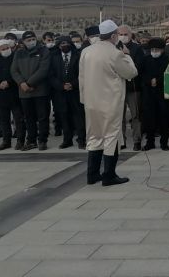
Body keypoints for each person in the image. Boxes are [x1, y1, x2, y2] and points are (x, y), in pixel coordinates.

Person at [79, 20, 138, 186]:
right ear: (113, 36)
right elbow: (131, 73)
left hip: (91, 103)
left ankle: (92, 174)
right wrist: (127, 55)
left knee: (94, 136)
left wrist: (84, 99)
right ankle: (109, 175)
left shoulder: (86, 51)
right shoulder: (115, 53)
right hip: (110, 102)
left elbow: (81, 78)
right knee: (112, 137)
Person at [11, 31, 51, 151]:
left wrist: (29, 83)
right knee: (29, 118)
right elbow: (14, 70)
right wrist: (22, 83)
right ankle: (31, 140)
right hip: (24, 92)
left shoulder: (43, 51)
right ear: (23, 42)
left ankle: (42, 140)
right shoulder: (19, 53)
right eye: (28, 40)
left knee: (43, 116)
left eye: (33, 39)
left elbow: (44, 69)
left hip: (40, 90)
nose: (31, 42)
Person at [0, 39, 26, 150]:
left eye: (7, 48)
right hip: (0, 93)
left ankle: (20, 140)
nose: (6, 50)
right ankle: (6, 141)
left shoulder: (15, 57)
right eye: (3, 49)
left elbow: (18, 72)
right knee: (4, 120)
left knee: (18, 118)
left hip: (14, 92)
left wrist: (8, 82)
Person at [49, 36, 86, 149]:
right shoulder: (54, 57)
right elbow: (51, 76)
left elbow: (83, 73)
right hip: (60, 92)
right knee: (64, 116)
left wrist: (73, 84)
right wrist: (61, 86)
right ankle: (67, 139)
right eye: (61, 44)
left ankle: (81, 140)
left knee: (78, 116)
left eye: (65, 43)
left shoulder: (78, 56)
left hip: (75, 91)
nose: (63, 45)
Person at [141, 38, 169, 151]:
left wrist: (158, 81)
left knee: (164, 118)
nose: (154, 51)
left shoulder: (167, 60)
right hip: (149, 93)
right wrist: (149, 81)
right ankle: (150, 142)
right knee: (149, 119)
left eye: (157, 49)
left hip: (162, 93)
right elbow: (141, 74)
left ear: (162, 50)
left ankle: (164, 142)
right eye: (152, 49)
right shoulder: (146, 59)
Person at [117, 25, 144, 151]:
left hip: (133, 87)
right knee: (119, 116)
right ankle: (121, 140)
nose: (122, 36)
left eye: (125, 34)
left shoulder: (137, 48)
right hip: (118, 87)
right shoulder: (113, 48)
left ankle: (137, 140)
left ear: (130, 34)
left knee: (136, 115)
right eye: (120, 34)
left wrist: (127, 56)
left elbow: (138, 67)